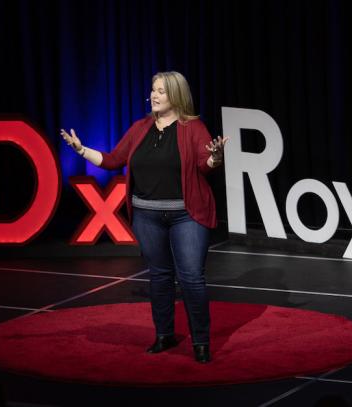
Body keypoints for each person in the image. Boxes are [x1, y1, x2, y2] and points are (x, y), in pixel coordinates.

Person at [61, 71, 228, 363]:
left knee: (191, 278)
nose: (154, 95)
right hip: (146, 216)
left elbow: (205, 165)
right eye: (153, 90)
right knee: (160, 277)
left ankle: (200, 341)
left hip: (186, 215)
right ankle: (164, 335)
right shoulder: (140, 127)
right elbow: (113, 160)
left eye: (161, 91)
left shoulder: (193, 127)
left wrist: (216, 157)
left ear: (176, 95)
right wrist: (81, 149)